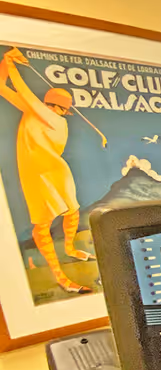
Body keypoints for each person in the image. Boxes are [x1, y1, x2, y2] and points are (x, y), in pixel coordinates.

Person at [0, 46, 92, 294]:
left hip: (54, 171)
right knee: (42, 225)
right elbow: (2, 87)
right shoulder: (36, 111)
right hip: (36, 175)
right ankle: (61, 277)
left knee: (72, 212)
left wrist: (12, 65)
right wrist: (6, 64)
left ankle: (71, 249)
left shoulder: (53, 119)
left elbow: (23, 91)